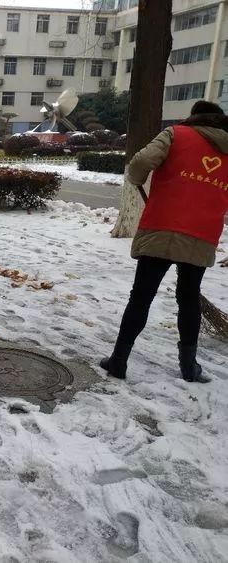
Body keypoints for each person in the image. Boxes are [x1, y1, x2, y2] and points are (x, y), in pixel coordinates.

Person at [100, 100, 228, 383]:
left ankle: (118, 361)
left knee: (142, 296)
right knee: (189, 299)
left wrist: (136, 178)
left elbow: (140, 163)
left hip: (163, 226)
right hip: (202, 234)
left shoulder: (176, 134)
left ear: (195, 117)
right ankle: (189, 367)